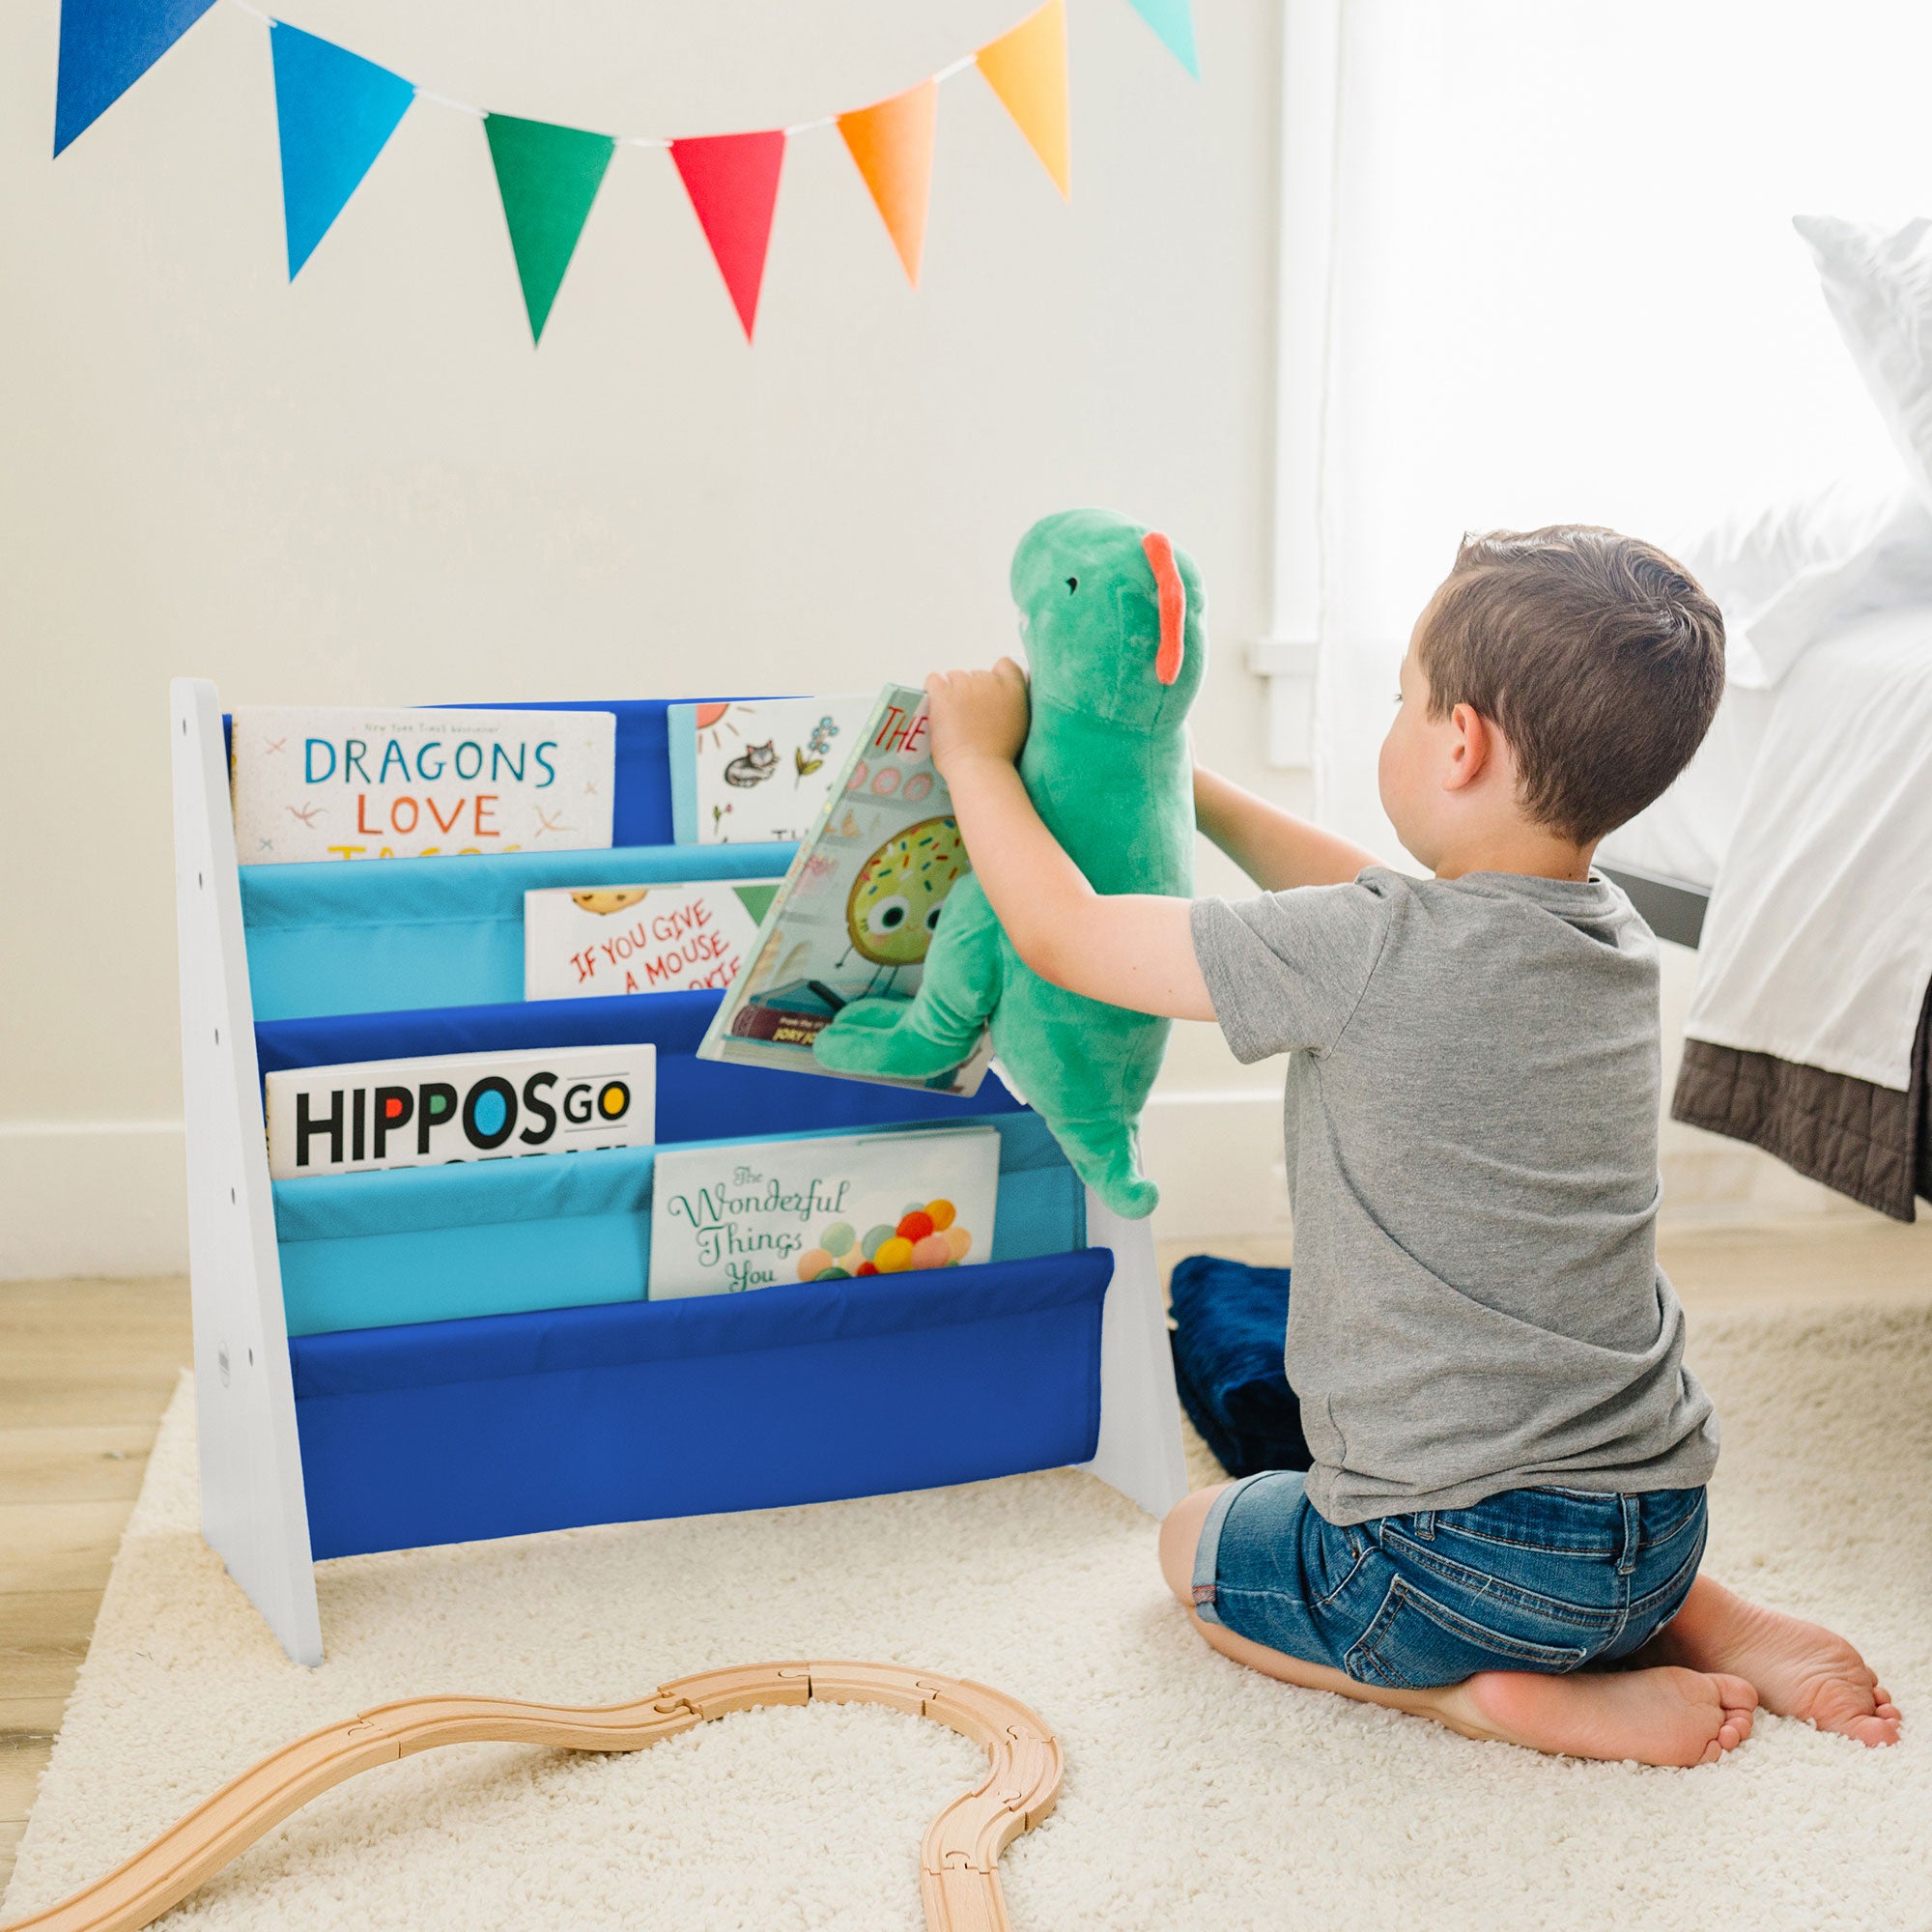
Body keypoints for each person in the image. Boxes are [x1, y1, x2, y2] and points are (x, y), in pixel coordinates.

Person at [923, 524, 1901, 1766]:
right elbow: (1371, 895)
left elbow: (1066, 934)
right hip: (1659, 1521)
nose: (1392, 716)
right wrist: (1185, 783)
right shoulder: (1608, 939)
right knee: (1552, 1511)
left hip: (1449, 1563)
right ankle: (1691, 1612)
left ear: (1459, 742)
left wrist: (974, 758)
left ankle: (1477, 1699)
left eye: (1401, 697)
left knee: (1190, 1546)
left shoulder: (1366, 950)